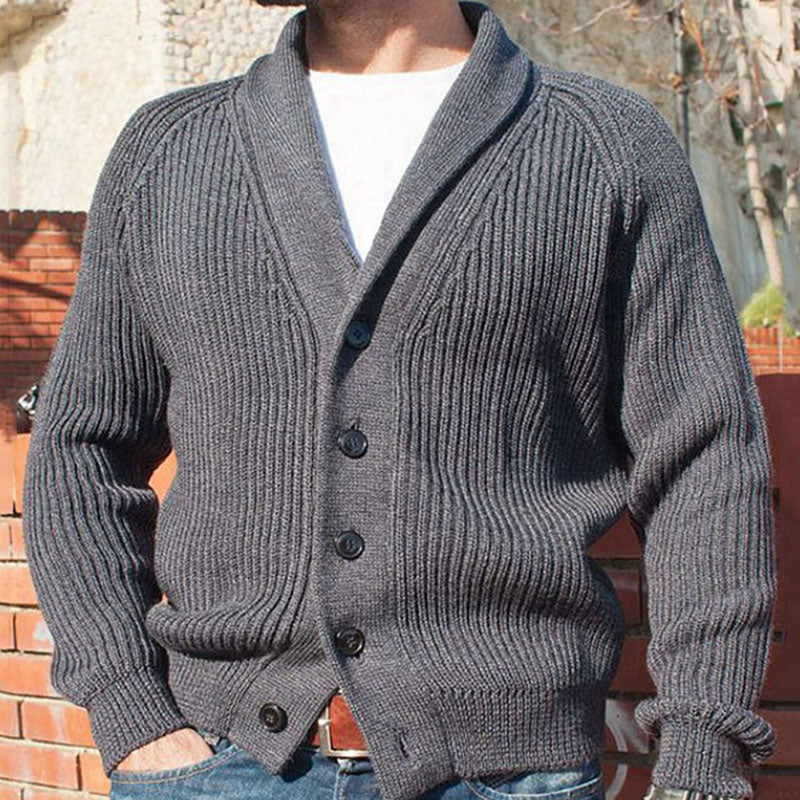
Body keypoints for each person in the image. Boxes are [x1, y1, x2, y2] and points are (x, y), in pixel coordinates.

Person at [22, 1, 777, 799]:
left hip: (509, 773)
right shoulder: (170, 152)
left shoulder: (604, 147)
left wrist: (702, 756)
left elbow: (705, 458)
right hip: (219, 763)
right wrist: (132, 713)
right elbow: (82, 445)